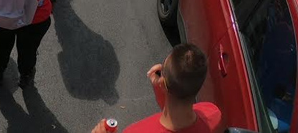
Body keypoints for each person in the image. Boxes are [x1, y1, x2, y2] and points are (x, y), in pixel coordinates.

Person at [91, 44, 222, 133]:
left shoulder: (136, 131)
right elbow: (176, 112)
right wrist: (161, 88)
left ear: (163, 82)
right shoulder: (212, 113)